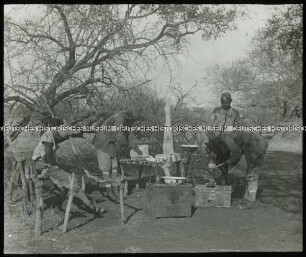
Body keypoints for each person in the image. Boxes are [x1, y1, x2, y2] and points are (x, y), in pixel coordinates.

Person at [32, 128, 103, 214]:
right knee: (73, 182)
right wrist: (59, 166)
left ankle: (83, 203)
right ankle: (89, 206)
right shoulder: (48, 138)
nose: (59, 140)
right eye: (60, 137)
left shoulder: (51, 134)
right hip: (43, 164)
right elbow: (49, 157)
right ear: (58, 134)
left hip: (44, 164)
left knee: (70, 182)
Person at [92, 110, 142, 200]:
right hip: (102, 142)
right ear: (129, 116)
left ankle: (115, 190)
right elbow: (114, 133)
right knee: (106, 168)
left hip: (111, 143)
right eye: (132, 120)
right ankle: (109, 191)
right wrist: (123, 142)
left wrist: (136, 148)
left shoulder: (126, 121)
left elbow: (130, 135)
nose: (132, 122)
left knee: (114, 166)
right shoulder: (119, 117)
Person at [209, 92, 243, 172]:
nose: (224, 104)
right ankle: (212, 172)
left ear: (230, 101)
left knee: (237, 153)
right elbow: (210, 125)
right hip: (216, 138)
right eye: (222, 102)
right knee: (213, 154)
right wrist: (212, 136)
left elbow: (238, 127)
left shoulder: (235, 112)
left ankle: (227, 167)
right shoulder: (216, 111)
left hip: (229, 138)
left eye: (226, 102)